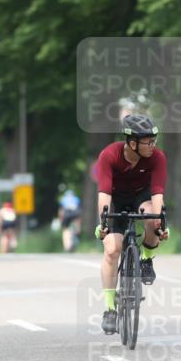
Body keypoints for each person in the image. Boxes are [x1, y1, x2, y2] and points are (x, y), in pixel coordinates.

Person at [94, 114, 169, 334]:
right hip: (115, 198)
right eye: (148, 141)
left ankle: (146, 259)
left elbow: (157, 194)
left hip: (141, 196)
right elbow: (104, 194)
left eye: (153, 139)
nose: (152, 145)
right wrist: (104, 223)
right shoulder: (109, 155)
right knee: (112, 249)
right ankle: (109, 309)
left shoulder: (157, 158)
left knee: (153, 218)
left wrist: (161, 223)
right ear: (132, 143)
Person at [58, 188, 81, 252]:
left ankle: (67, 245)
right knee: (77, 224)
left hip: (66, 214)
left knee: (65, 229)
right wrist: (79, 224)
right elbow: (79, 210)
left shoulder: (63, 199)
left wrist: (61, 219)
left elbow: (61, 211)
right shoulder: (76, 199)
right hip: (75, 214)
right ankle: (77, 234)